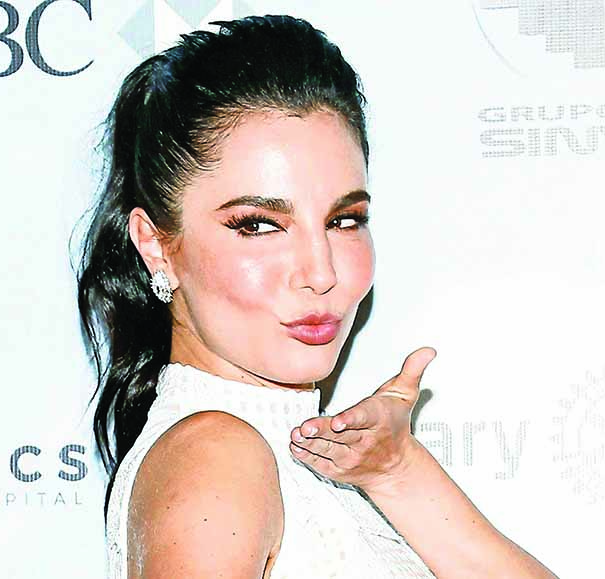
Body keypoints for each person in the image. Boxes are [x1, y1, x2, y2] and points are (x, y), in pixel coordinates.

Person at [76, 14, 558, 579]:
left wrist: (397, 469)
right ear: (157, 247)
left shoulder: (289, 460)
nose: (321, 272)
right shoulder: (214, 455)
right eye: (259, 225)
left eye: (344, 220)